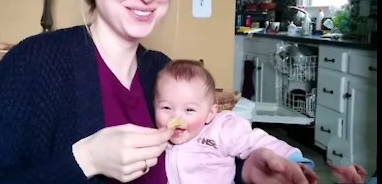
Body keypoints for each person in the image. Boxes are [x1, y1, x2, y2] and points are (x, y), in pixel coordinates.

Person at [0, 0, 329, 184]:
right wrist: (85, 159)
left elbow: (194, 160)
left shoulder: (162, 72)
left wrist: (245, 171)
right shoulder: (33, 64)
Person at [154, 59, 370, 184]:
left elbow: (258, 142)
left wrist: (295, 160)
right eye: (166, 108)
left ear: (210, 113)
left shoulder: (221, 129)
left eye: (189, 109)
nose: (176, 118)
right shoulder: (155, 137)